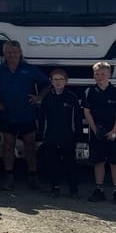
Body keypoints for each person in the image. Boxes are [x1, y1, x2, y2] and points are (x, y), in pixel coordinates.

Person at [0, 40, 49, 189]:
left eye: (15, 52)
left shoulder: (29, 69)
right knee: (8, 146)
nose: (12, 55)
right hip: (7, 114)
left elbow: (47, 84)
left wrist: (39, 97)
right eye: (9, 52)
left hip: (27, 113)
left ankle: (33, 176)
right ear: (4, 54)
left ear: (20, 52)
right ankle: (8, 176)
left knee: (30, 145)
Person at [84, 61, 116, 205]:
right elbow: (87, 112)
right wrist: (95, 129)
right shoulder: (89, 92)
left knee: (115, 162)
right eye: (97, 74)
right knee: (98, 161)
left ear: (109, 74)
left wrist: (114, 131)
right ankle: (99, 189)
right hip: (97, 132)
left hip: (113, 133)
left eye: (103, 74)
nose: (100, 76)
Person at [39, 68, 82, 198]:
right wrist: (42, 134)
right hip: (51, 136)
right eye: (55, 79)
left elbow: (77, 118)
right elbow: (42, 118)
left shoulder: (72, 98)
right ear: (51, 81)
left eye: (60, 79)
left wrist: (77, 134)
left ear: (66, 81)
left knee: (70, 163)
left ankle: (73, 189)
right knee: (53, 164)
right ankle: (54, 187)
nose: (58, 82)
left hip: (68, 136)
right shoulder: (47, 98)